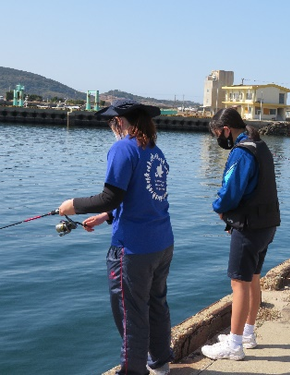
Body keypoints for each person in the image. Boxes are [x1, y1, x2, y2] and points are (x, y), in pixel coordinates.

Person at [58, 99, 174, 375]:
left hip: (133, 249)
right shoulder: (156, 152)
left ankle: (133, 371)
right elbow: (143, 199)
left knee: (130, 314)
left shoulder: (123, 148)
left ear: (120, 122)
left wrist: (71, 205)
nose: (112, 127)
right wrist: (107, 216)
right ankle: (160, 362)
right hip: (162, 243)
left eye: (112, 122)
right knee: (157, 304)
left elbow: (110, 196)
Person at [201, 108, 280, 361]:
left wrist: (219, 209)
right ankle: (247, 333)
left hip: (248, 227)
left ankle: (234, 345)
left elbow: (231, 190)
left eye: (217, 133)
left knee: (239, 283)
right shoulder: (260, 146)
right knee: (253, 278)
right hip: (267, 224)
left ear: (226, 129)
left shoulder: (241, 152)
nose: (218, 139)